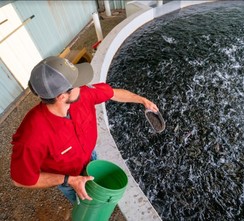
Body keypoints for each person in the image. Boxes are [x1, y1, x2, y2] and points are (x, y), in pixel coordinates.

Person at [10, 56, 158, 204]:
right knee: (86, 208)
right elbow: (21, 180)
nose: (83, 85)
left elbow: (112, 93)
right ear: (62, 96)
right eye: (77, 84)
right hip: (68, 178)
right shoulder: (31, 135)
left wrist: (142, 100)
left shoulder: (83, 94)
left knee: (98, 197)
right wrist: (69, 180)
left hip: (91, 158)